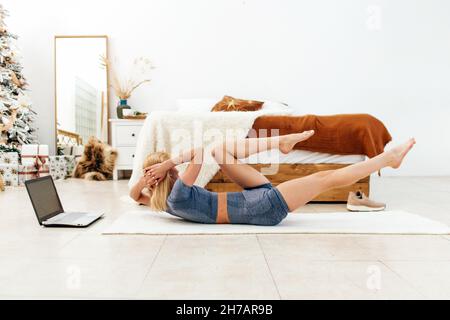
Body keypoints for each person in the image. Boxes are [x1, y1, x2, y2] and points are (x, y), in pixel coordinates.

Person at [130, 131, 415, 226]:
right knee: (325, 178)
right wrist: (168, 162)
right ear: (169, 174)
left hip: (251, 196)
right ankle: (389, 159)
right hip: (262, 208)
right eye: (172, 169)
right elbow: (198, 153)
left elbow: (134, 195)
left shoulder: (160, 202)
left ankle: (282, 142)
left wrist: (149, 178)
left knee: (221, 150)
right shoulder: (179, 191)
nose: (177, 170)